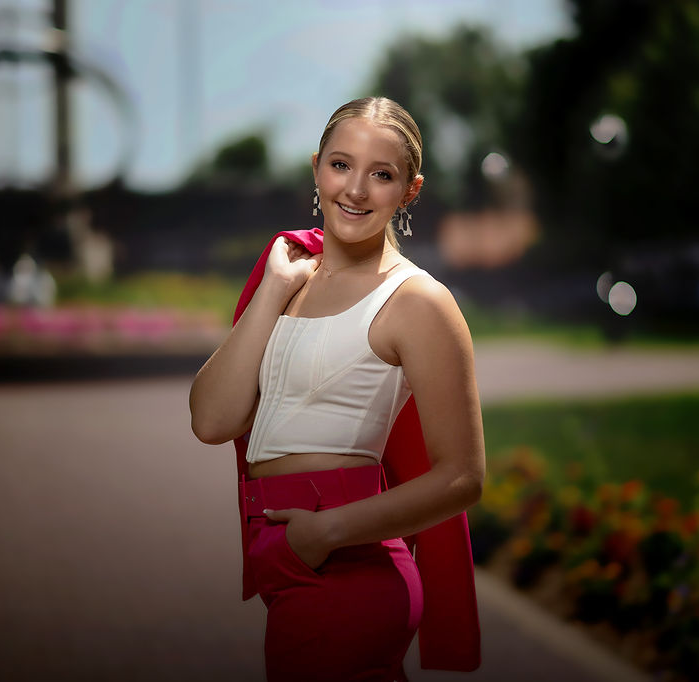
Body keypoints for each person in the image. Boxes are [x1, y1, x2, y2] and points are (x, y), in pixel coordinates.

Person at [190, 97, 485, 681]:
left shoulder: (417, 301)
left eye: (382, 175)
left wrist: (324, 533)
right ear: (316, 167)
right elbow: (211, 421)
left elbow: (462, 476)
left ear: (410, 191)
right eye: (341, 165)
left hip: (348, 562)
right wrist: (273, 291)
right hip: (288, 558)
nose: (355, 189)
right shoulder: (288, 274)